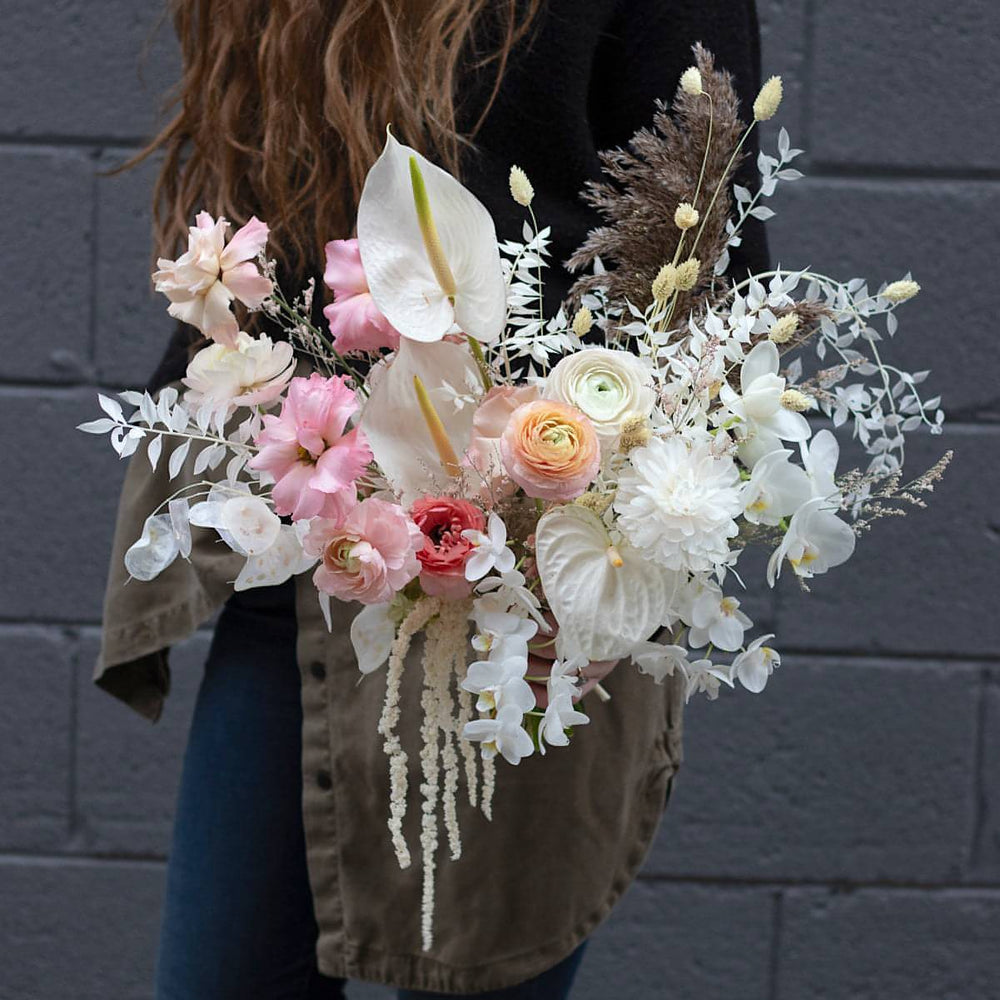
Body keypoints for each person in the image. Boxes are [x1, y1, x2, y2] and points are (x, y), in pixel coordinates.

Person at [96, 1, 769, 997]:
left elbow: (714, 271)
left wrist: (594, 558)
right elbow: (266, 228)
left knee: (489, 960)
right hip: (306, 563)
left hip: (530, 581)